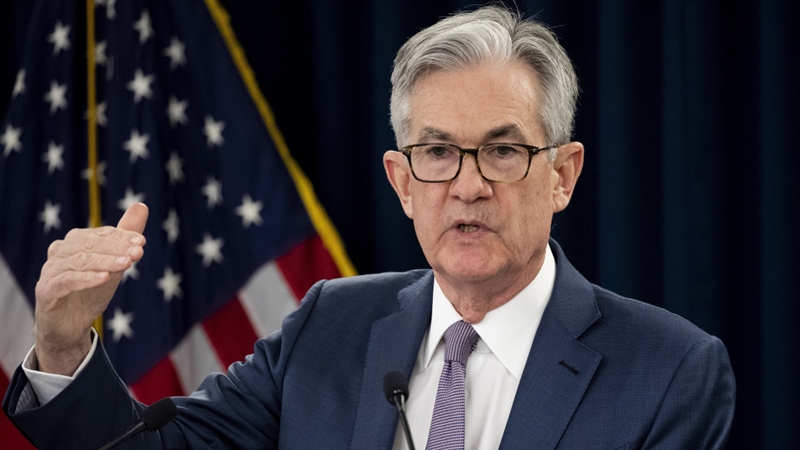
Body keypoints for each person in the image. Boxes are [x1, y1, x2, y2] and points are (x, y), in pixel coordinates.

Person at [3, 5, 735, 449]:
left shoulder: (670, 371)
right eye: (437, 153)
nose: (468, 185)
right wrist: (63, 346)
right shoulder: (331, 324)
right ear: (402, 182)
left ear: (563, 175)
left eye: (503, 151)